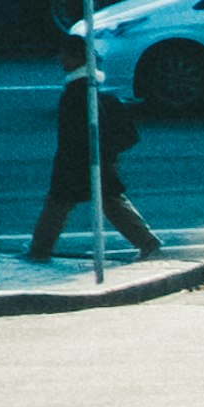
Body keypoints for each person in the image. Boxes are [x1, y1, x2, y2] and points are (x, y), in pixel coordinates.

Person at [30, 47, 163, 266]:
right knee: (108, 202)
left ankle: (40, 249)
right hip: (93, 159)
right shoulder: (88, 88)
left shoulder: (78, 91)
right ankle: (148, 242)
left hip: (79, 160)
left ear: (78, 58)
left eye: (66, 53)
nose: (60, 56)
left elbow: (77, 132)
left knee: (59, 204)